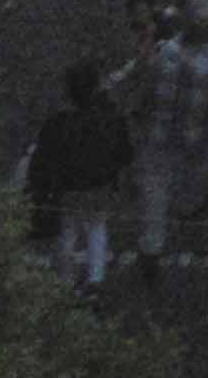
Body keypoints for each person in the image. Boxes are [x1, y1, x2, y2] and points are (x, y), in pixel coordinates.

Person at [112, 0, 208, 288]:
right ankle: (192, 220)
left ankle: (151, 249)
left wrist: (135, 120)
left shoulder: (163, 53)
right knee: (191, 189)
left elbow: (142, 94)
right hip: (194, 144)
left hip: (157, 140)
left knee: (154, 196)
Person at [31, 59, 137, 289]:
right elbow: (124, 153)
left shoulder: (58, 123)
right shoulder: (109, 119)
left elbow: (43, 159)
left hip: (67, 188)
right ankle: (95, 279)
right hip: (99, 186)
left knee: (67, 233)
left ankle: (65, 283)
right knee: (97, 228)